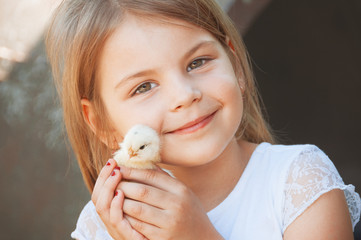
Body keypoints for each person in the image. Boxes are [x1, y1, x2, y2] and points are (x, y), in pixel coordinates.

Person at [46, 0, 361, 239]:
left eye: (198, 62)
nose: (185, 95)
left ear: (235, 65)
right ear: (101, 123)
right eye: (143, 87)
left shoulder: (300, 183)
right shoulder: (101, 225)